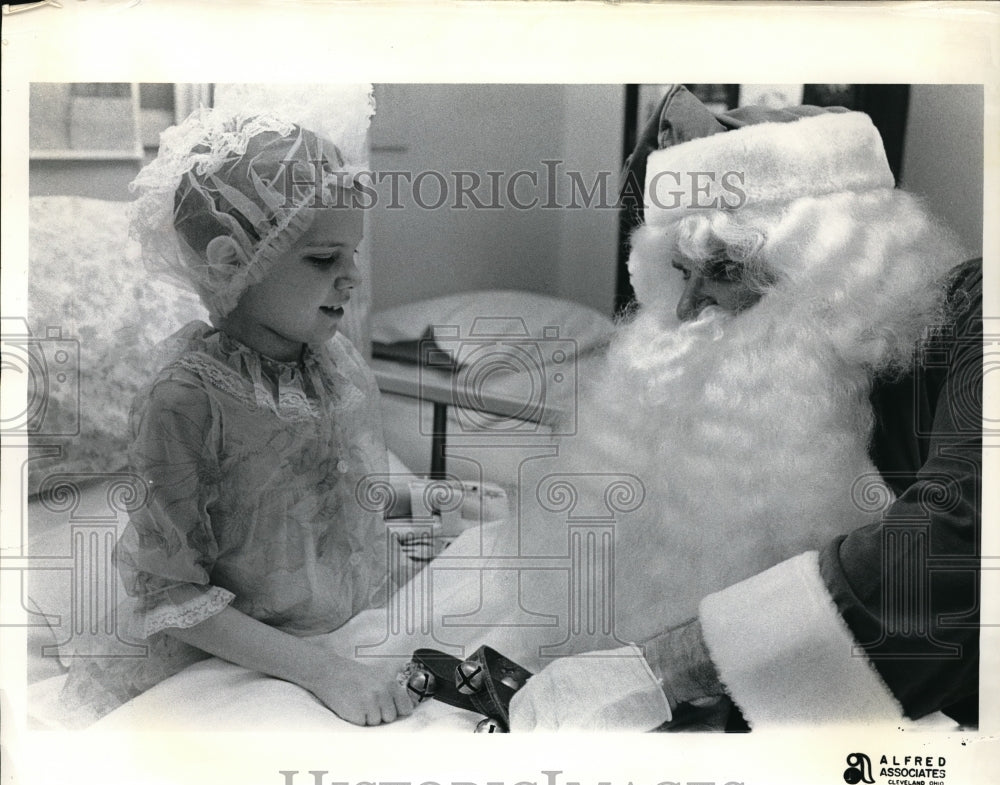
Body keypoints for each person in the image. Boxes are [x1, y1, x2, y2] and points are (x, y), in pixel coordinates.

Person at [506, 86, 981, 730]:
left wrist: (663, 669)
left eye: (726, 271)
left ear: (837, 272)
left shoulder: (982, 317)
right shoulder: (793, 392)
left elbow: (959, 538)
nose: (686, 309)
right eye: (684, 272)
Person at [58, 108, 414, 728]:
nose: (353, 277)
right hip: (232, 650)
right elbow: (172, 593)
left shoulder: (330, 364)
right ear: (231, 261)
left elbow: (317, 491)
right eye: (324, 258)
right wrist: (325, 671)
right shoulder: (186, 400)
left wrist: (414, 499)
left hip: (343, 619)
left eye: (352, 253)